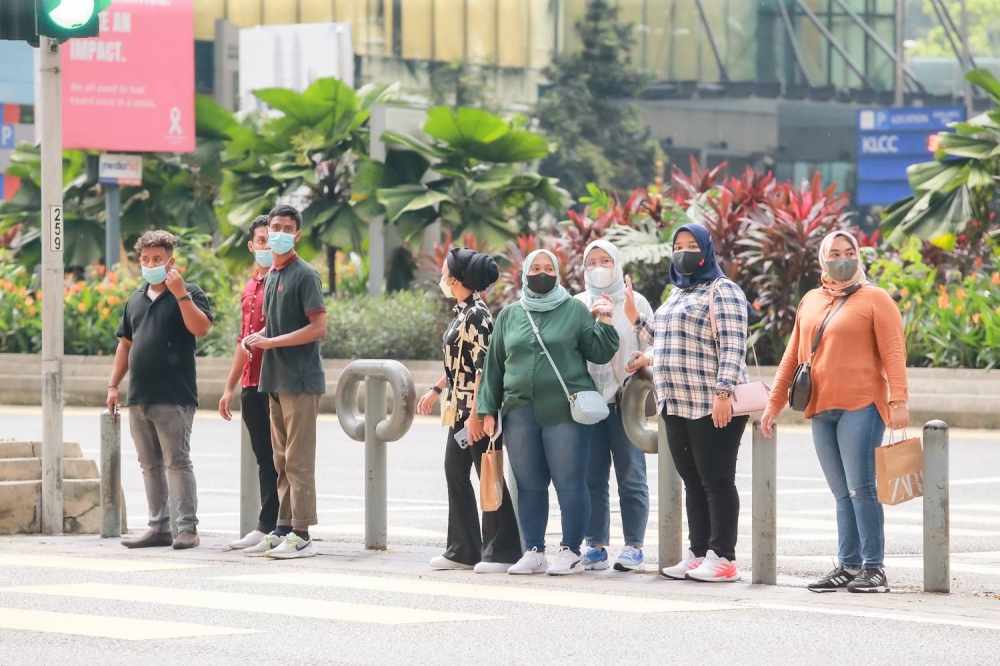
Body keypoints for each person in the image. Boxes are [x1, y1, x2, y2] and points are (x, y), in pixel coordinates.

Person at [762, 231, 908, 594]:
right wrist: (773, 405)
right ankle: (848, 565)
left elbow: (893, 353)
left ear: (858, 256)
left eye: (849, 252)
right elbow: (791, 356)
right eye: (835, 253)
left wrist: (899, 401)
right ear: (822, 260)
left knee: (862, 490)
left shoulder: (876, 299)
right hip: (820, 408)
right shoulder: (811, 300)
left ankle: (874, 569)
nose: (843, 259)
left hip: (861, 405)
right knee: (842, 493)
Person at [478, 249, 620, 576]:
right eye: (535, 268)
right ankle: (534, 550)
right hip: (519, 412)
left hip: (564, 413)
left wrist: (606, 318)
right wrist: (487, 408)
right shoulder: (510, 315)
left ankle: (570, 550)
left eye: (548, 268)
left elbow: (598, 352)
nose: (541, 273)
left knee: (569, 482)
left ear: (557, 273)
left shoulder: (574, 310)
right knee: (528, 484)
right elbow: (494, 365)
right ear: (525, 273)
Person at [625, 224, 750, 582]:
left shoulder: (723, 290)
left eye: (692, 245)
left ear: (707, 250)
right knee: (692, 480)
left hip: (710, 401)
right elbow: (663, 339)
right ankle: (698, 553)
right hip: (675, 401)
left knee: (716, 479)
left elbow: (732, 344)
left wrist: (724, 393)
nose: (684, 252)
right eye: (678, 246)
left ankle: (723, 556)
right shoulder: (677, 292)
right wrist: (635, 316)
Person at [417, 248, 523, 573]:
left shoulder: (477, 314)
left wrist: (478, 413)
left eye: (446, 271)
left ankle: (502, 550)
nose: (442, 276)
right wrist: (437, 390)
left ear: (457, 278)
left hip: (474, 410)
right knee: (456, 470)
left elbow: (482, 367)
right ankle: (464, 549)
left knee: (488, 474)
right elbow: (458, 363)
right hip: (460, 408)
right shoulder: (463, 311)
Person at [107, 230, 214, 550]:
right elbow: (125, 345)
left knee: (177, 462)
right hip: (139, 396)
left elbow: (201, 328)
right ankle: (159, 526)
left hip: (174, 395)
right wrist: (114, 385)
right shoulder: (135, 299)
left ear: (171, 261)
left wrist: (180, 293)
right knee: (149, 464)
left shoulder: (190, 292)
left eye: (157, 259)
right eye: (145, 259)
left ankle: (187, 528)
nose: (150, 264)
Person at [242, 204, 328, 559]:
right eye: (274, 226)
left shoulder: (304, 275)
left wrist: (271, 342)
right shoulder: (273, 274)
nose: (278, 232)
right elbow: (278, 327)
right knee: (280, 459)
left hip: (300, 380)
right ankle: (282, 527)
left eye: (285, 227)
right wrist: (259, 336)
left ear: (297, 234)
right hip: (273, 379)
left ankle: (302, 533)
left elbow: (318, 327)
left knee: (298, 460)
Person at [573, 240, 653, 572]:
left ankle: (634, 545)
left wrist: (643, 357)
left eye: (606, 260)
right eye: (592, 262)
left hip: (626, 403)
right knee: (592, 478)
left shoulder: (636, 302)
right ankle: (595, 544)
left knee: (631, 476)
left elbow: (656, 343)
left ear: (618, 264)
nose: (599, 267)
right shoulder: (576, 304)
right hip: (590, 405)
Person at [219, 215, 279, 550]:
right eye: (261, 240)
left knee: (279, 457)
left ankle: (279, 526)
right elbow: (243, 339)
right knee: (262, 455)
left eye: (271, 238)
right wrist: (230, 387)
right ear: (251, 245)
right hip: (250, 381)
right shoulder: (250, 286)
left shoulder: (283, 280)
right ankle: (266, 525)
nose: (267, 246)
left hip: (275, 381)